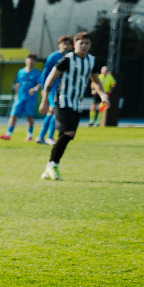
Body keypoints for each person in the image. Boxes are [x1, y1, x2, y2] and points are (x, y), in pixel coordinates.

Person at [38, 31, 109, 181]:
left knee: (65, 136)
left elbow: (96, 81)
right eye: (81, 43)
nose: (84, 46)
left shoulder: (91, 61)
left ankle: (49, 167)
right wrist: (44, 100)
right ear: (75, 44)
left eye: (87, 43)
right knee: (69, 133)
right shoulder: (67, 60)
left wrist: (103, 96)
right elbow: (50, 79)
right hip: (62, 101)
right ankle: (53, 166)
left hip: (77, 103)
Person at [35, 35, 73, 145]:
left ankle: (41, 136)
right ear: (59, 45)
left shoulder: (69, 57)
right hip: (52, 88)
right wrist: (43, 88)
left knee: (51, 112)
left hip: (63, 89)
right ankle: (49, 137)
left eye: (68, 44)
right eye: (64, 43)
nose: (65, 46)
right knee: (55, 110)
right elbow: (45, 73)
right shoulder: (53, 56)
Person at [0, 54, 41, 141]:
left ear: (35, 62)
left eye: (33, 60)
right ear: (26, 61)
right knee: (13, 115)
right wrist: (16, 95)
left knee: (29, 116)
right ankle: (8, 134)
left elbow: (40, 84)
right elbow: (17, 83)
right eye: (29, 60)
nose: (31, 62)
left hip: (30, 98)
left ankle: (29, 135)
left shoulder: (37, 72)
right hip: (20, 98)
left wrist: (35, 89)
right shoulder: (20, 72)